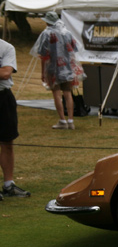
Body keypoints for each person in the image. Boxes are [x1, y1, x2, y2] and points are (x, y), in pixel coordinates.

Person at [32, 11, 84, 131]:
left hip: (53, 68)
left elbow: (43, 55)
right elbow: (74, 50)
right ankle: (71, 121)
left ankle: (62, 120)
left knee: (56, 94)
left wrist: (42, 72)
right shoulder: (67, 32)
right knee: (67, 93)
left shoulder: (46, 34)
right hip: (67, 67)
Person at [0, 37, 28, 199]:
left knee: (7, 141)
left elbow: (5, 73)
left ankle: (8, 185)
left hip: (4, 98)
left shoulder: (6, 47)